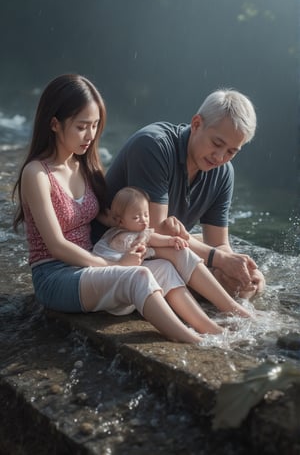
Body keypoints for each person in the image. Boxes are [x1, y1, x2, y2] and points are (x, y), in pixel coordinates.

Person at [12, 73, 233, 345]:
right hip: (55, 276)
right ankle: (194, 341)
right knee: (137, 275)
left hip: (90, 267)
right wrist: (113, 264)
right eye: (82, 127)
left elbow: (111, 218)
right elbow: (56, 246)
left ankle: (216, 330)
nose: (90, 136)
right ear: (55, 124)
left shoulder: (83, 166)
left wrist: (156, 238)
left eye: (95, 126)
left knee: (164, 263)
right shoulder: (37, 174)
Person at [98, 89, 266, 299]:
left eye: (232, 152)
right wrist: (221, 260)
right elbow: (155, 230)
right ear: (196, 124)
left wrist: (245, 272)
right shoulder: (154, 145)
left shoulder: (223, 173)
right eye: (217, 143)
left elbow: (218, 243)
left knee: (237, 283)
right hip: (114, 250)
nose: (220, 157)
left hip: (166, 248)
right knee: (216, 269)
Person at [93, 186, 251, 319]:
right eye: (136, 217)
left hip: (122, 286)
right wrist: (170, 240)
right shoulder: (123, 237)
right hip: (115, 292)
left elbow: (150, 237)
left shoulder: (132, 232)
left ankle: (205, 318)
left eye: (146, 214)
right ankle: (227, 310)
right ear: (120, 221)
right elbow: (152, 238)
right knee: (175, 253)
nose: (143, 220)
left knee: (166, 265)